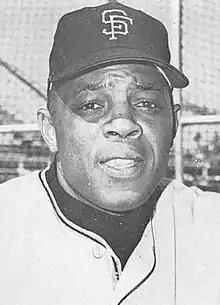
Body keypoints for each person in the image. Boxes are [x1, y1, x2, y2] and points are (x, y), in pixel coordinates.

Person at [0, 2, 220, 304]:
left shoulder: (211, 226)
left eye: (146, 104)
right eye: (91, 105)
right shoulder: (6, 225)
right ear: (50, 129)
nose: (122, 123)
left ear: (175, 123)